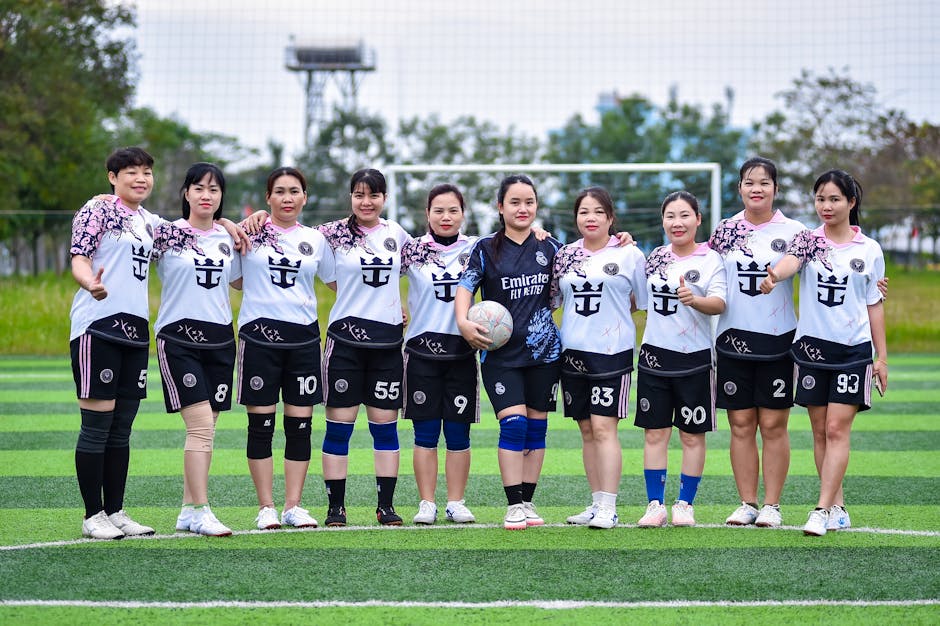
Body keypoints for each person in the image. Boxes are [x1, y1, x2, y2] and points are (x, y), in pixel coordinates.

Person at [759, 170, 887, 536]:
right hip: (811, 350)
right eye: (820, 199)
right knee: (819, 430)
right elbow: (790, 263)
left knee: (836, 428)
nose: (826, 206)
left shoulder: (869, 250)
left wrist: (881, 358)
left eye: (834, 199)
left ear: (851, 202)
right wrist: (775, 276)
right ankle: (838, 506)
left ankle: (820, 508)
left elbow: (874, 304)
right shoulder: (807, 241)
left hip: (854, 351)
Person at [456, 174, 562, 530]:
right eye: (514, 202)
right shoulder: (486, 248)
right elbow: (465, 288)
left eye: (529, 202)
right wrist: (463, 322)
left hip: (545, 353)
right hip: (500, 355)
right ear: (500, 207)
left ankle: (528, 502)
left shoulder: (551, 247)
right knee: (513, 426)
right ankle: (513, 504)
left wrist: (621, 239)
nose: (523, 208)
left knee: (536, 430)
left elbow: (588, 262)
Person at [69, 147, 162, 539]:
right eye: (131, 172)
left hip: (136, 330)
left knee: (122, 426)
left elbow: (193, 231)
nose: (140, 179)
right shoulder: (98, 209)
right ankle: (93, 516)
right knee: (97, 425)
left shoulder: (149, 222)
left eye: (146, 172)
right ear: (112, 177)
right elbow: (79, 256)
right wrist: (90, 281)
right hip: (99, 325)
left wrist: (230, 222)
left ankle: (116, 510)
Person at [708, 157, 806, 528]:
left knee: (774, 426)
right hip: (732, 341)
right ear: (739, 188)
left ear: (775, 189)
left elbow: (810, 263)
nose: (756, 189)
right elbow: (702, 267)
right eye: (749, 182)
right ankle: (747, 502)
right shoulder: (725, 231)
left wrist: (873, 285)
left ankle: (772, 505)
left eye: (764, 182)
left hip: (779, 341)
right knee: (741, 424)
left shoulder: (796, 231)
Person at [236, 166, 335, 530]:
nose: (287, 198)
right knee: (260, 425)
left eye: (294, 191)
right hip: (259, 337)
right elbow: (233, 279)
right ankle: (266, 507)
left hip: (304, 340)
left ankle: (293, 505)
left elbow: (339, 282)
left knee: (300, 426)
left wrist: (386, 304)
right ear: (268, 198)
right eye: (279, 191)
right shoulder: (250, 232)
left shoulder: (316, 240)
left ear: (305, 198)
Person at [317, 168, 412, 526]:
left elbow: (428, 263)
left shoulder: (397, 234)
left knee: (384, 427)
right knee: (339, 427)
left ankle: (385, 506)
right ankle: (335, 508)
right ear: (350, 198)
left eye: (373, 195)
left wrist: (388, 304)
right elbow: (330, 280)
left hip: (387, 344)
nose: (366, 201)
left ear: (384, 199)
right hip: (345, 342)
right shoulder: (332, 235)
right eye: (359, 195)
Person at [152, 162, 240, 537]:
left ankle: (188, 510)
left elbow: (243, 281)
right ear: (186, 193)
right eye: (199, 188)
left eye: (214, 190)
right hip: (179, 338)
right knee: (201, 427)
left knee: (210, 427)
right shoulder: (165, 234)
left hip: (221, 339)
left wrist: (236, 225)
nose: (207, 195)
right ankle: (202, 510)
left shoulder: (227, 237)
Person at [552, 187, 647, 529]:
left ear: (610, 218)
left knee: (605, 428)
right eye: (583, 212)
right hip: (572, 353)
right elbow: (554, 301)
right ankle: (594, 504)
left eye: (597, 212)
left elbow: (644, 301)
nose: (590, 218)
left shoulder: (629, 254)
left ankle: (610, 506)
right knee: (587, 430)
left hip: (612, 354)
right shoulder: (564, 256)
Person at [634, 191, 727, 528]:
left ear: (698, 220)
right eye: (671, 216)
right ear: (663, 221)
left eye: (685, 215)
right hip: (654, 357)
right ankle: (654, 504)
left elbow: (719, 303)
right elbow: (635, 298)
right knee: (655, 434)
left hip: (695, 360)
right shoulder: (655, 257)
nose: (678, 222)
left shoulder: (711, 260)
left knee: (691, 435)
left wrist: (695, 299)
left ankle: (685, 503)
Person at [400, 184, 480, 525]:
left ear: (463, 214)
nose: (446, 217)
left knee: (459, 435)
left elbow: (519, 238)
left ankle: (456, 502)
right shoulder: (411, 249)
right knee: (426, 434)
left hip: (462, 351)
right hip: (421, 352)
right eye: (438, 211)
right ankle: (427, 503)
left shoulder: (478, 248)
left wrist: (538, 229)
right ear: (427, 214)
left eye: (453, 211)